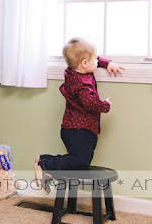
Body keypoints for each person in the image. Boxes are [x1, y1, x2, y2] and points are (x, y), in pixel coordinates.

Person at [34, 37, 124, 194]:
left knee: (81, 161)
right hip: (78, 130)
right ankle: (44, 163)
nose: (97, 62)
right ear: (84, 63)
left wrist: (106, 63)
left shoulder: (74, 72)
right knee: (80, 161)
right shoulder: (82, 84)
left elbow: (91, 59)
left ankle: (45, 161)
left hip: (75, 127)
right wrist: (105, 105)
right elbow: (90, 103)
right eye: (95, 61)